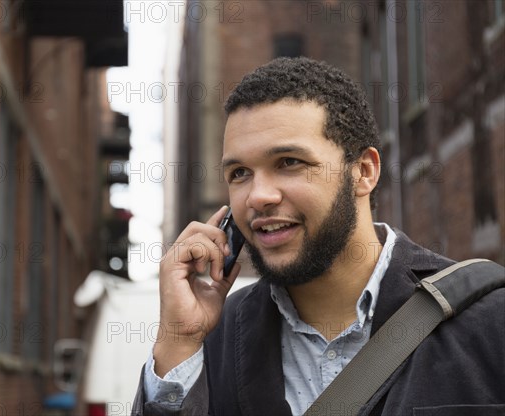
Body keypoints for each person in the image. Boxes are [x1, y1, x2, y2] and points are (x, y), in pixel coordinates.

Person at [131, 57, 505, 415]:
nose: (258, 196)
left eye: (290, 162)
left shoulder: (486, 320)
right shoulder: (205, 345)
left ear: (363, 172)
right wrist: (177, 341)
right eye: (240, 173)